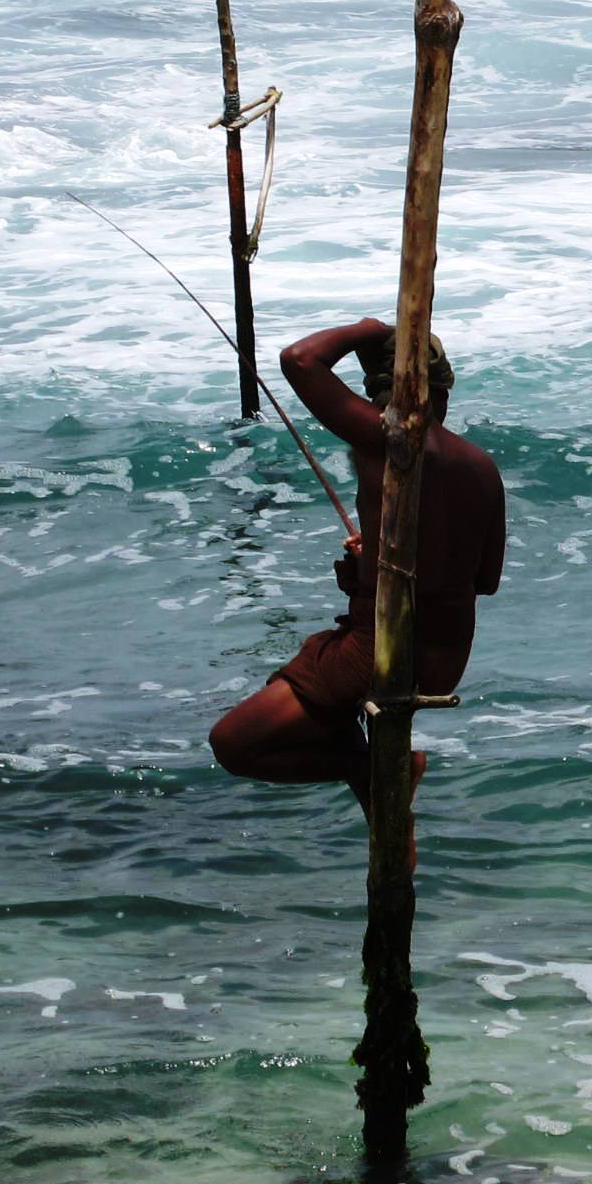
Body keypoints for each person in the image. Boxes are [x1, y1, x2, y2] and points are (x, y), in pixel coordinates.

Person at [210, 319, 505, 857]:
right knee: (325, 698)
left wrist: (368, 328)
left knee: (232, 744)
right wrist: (384, 558)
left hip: (384, 652)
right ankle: (376, 788)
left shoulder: (389, 439)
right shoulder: (483, 466)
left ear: (383, 397)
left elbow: (299, 359)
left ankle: (363, 766)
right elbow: (483, 581)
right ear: (442, 390)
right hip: (444, 657)